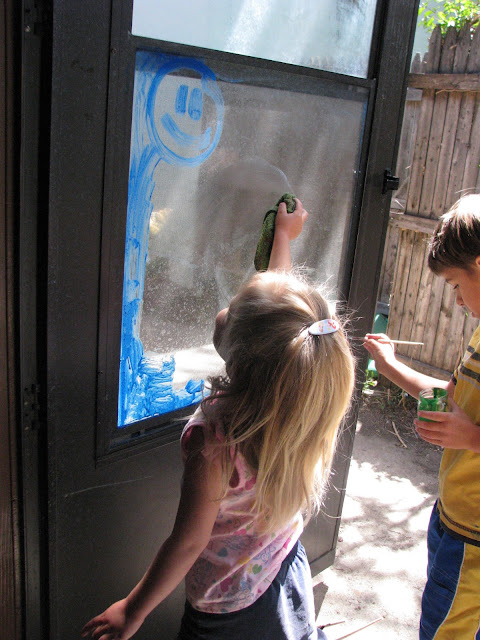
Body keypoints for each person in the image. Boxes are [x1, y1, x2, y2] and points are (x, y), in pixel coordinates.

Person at [82, 199, 355, 640]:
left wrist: (132, 610)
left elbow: (188, 541)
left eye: (233, 309)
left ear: (241, 354)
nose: (223, 310)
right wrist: (282, 237)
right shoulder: (301, 397)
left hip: (228, 610)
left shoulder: (215, 442)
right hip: (284, 564)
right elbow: (282, 323)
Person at [364, 193, 480, 640]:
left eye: (455, 285)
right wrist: (390, 366)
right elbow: (450, 397)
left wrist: (472, 438)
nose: (458, 301)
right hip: (451, 515)